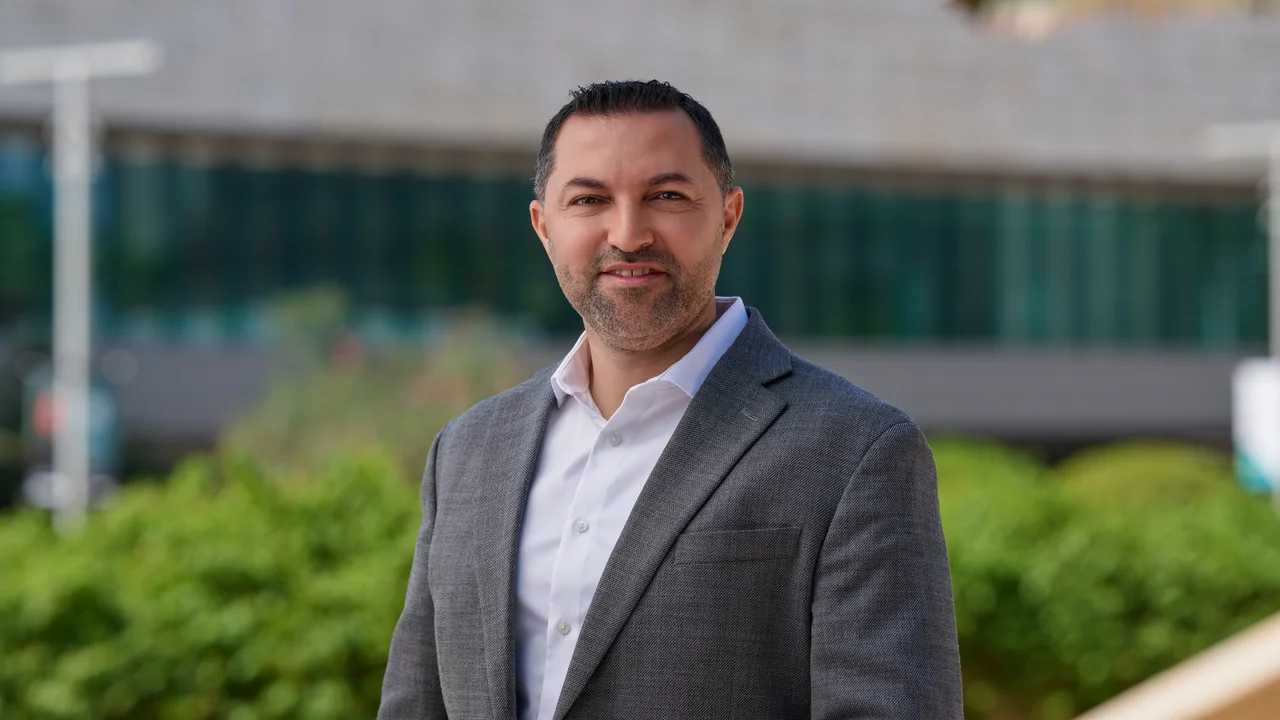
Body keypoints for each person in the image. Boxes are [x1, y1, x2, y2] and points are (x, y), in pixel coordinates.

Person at [379, 79, 962, 720]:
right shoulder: (466, 450)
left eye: (666, 196)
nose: (628, 234)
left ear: (728, 217)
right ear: (544, 226)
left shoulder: (857, 450)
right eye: (589, 199)